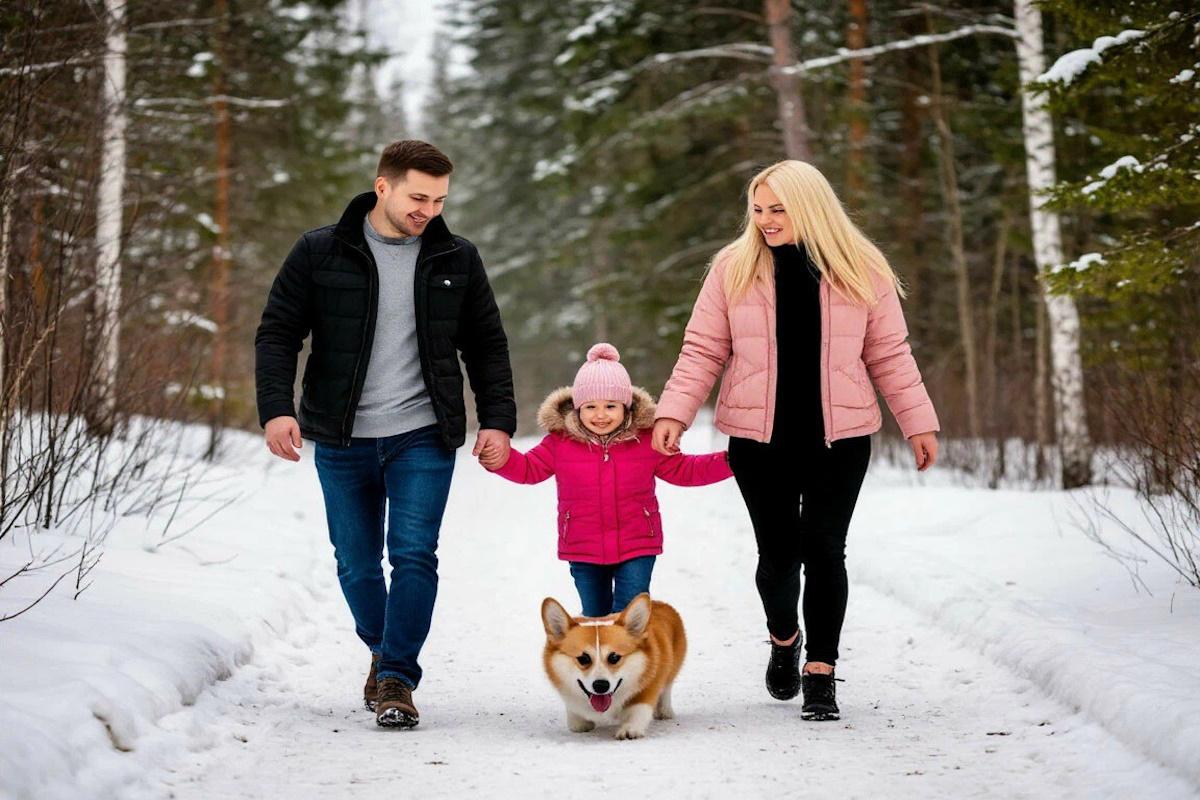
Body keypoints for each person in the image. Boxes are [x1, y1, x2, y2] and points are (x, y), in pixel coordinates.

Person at [652, 160, 940, 721]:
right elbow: (703, 349)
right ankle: (785, 640)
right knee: (779, 556)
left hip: (842, 439)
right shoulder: (733, 268)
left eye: (777, 209)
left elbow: (890, 355)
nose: (764, 220)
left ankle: (822, 673)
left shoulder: (862, 268)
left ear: (810, 206)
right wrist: (674, 414)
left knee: (826, 552)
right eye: (757, 209)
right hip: (760, 441)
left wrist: (918, 421)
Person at [254, 139, 516, 728]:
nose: (429, 209)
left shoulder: (456, 258)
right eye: (418, 196)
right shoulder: (320, 251)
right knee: (356, 564)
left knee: (414, 555)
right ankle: (379, 648)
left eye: (440, 199)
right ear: (383, 187)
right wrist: (275, 407)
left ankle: (397, 674)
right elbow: (277, 334)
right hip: (342, 436)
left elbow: (487, 346)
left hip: (422, 433)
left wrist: (497, 419)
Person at [480, 343, 733, 616]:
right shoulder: (560, 443)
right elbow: (529, 469)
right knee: (596, 620)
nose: (600, 415)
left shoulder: (646, 440)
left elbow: (685, 470)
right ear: (577, 408)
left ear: (626, 406)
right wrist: (502, 461)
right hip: (582, 548)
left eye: (610, 406)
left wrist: (733, 462)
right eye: (590, 407)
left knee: (629, 621)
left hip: (638, 545)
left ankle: (635, 659)